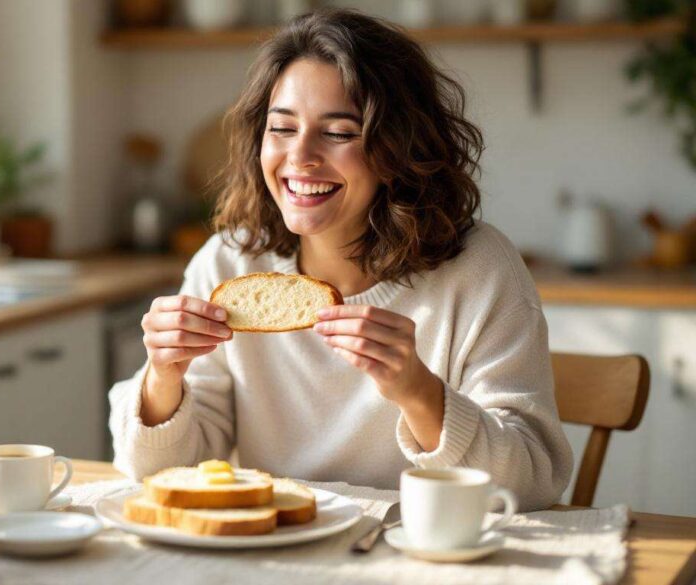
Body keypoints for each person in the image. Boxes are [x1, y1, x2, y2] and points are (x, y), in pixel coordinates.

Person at [108, 9, 572, 511]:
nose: (300, 156)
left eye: (339, 133)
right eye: (282, 128)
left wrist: (419, 392)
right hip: (277, 554)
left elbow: (533, 482)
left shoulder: (478, 269)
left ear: (398, 147)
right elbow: (159, 477)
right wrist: (163, 377)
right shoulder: (227, 262)